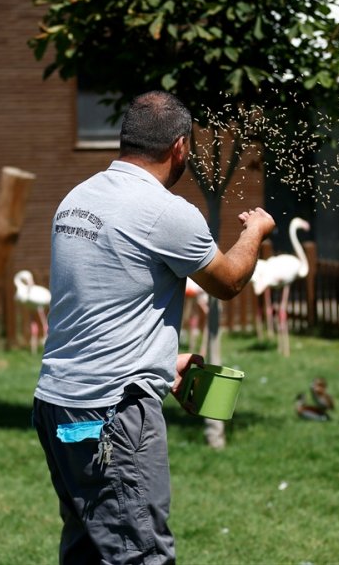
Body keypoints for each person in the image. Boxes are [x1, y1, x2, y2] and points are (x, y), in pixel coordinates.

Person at [32, 90, 276, 564]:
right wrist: (254, 231)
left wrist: (161, 362)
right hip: (113, 414)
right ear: (179, 147)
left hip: (58, 405)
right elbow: (228, 281)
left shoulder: (78, 198)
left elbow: (97, 300)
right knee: (140, 554)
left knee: (88, 548)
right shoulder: (164, 211)